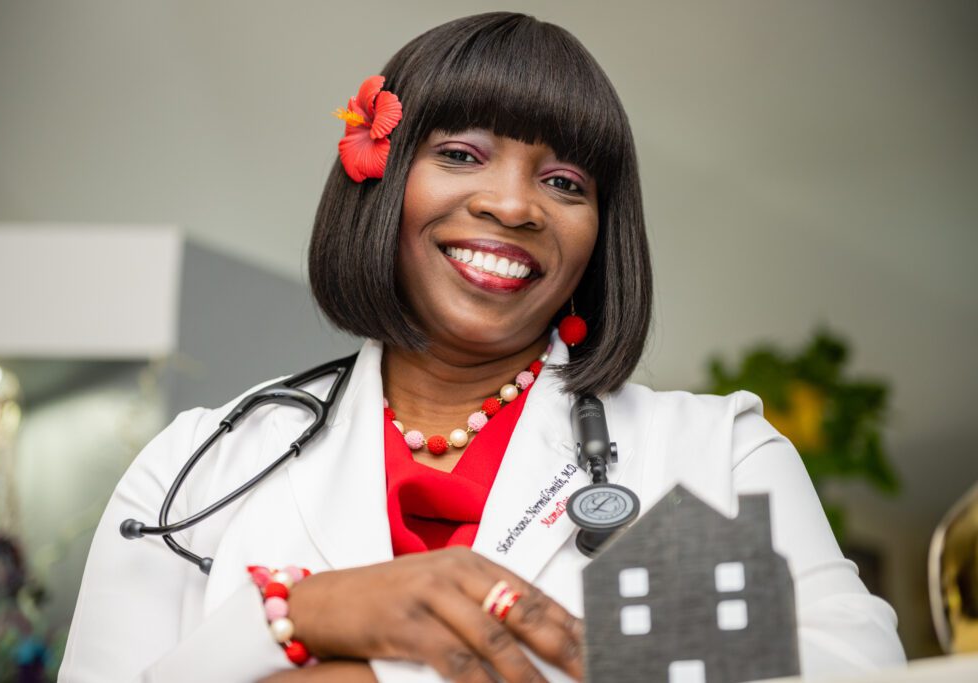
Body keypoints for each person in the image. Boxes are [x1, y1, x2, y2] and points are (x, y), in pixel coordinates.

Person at [60, 12, 906, 683]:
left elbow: (860, 668)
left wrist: (375, 674)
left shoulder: (718, 451)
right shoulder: (196, 471)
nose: (513, 205)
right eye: (461, 154)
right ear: (382, 176)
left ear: (597, 236)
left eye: (565, 182)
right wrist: (301, 613)